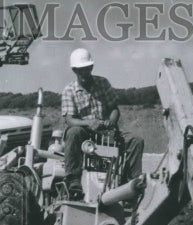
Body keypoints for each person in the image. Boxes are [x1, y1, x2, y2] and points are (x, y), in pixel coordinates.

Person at [60, 48, 144, 199]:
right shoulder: (69, 90)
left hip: (107, 132)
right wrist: (88, 123)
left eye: (87, 69)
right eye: (80, 70)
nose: (84, 74)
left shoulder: (103, 83)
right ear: (74, 70)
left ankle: (130, 184)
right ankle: (73, 180)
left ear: (91, 67)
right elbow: (69, 120)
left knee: (136, 140)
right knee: (73, 132)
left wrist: (111, 122)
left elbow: (114, 109)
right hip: (84, 133)